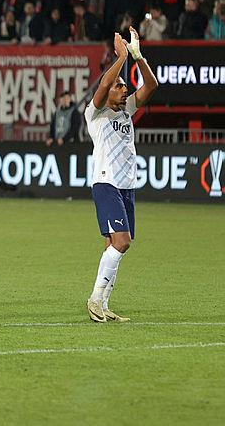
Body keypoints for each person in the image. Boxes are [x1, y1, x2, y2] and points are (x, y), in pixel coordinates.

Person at [85, 28, 158, 323]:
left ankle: (102, 303)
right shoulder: (96, 113)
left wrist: (138, 57)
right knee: (122, 242)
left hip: (127, 185)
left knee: (114, 246)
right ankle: (94, 298)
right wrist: (121, 57)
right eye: (119, 86)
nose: (124, 89)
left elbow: (151, 85)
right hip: (106, 182)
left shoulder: (127, 109)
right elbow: (103, 85)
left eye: (124, 86)